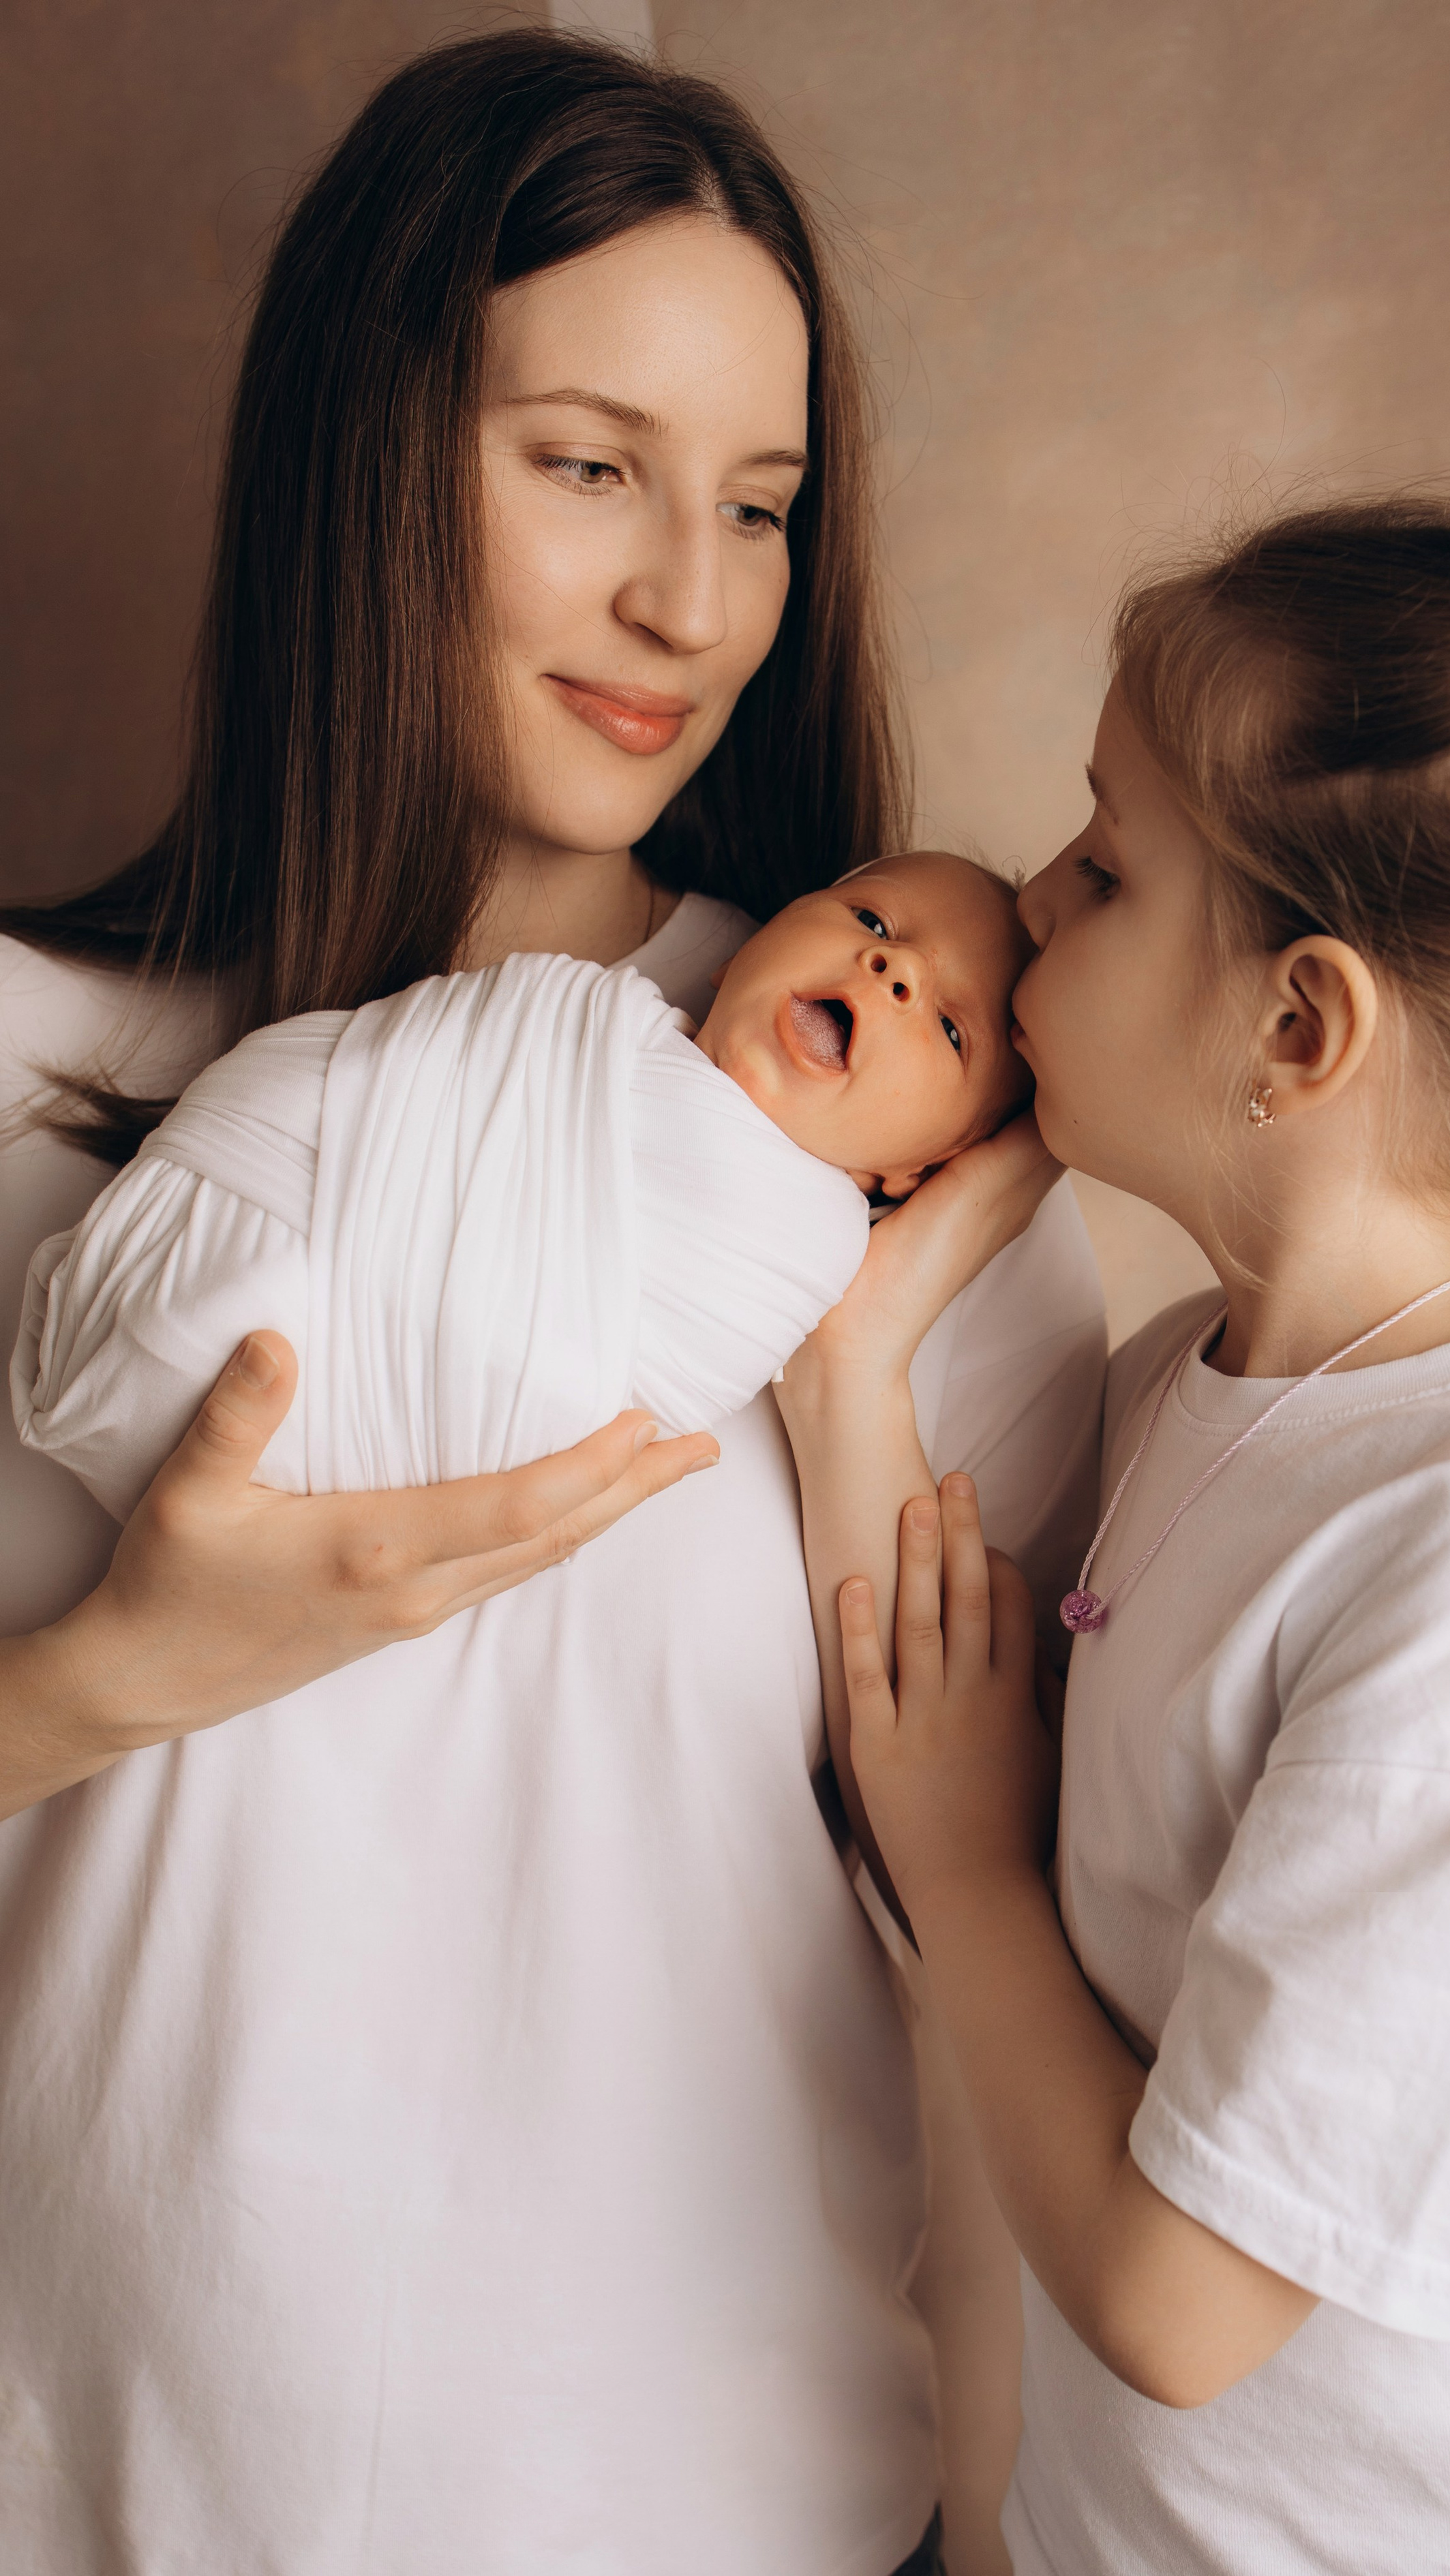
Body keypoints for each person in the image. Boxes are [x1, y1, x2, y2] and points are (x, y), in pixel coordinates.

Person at [0, 31, 1104, 2575]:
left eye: (761, 505)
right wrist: (121, 1667)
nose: (692, 605)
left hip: (710, 2507)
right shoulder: (43, 1064)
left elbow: (1034, 1953)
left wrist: (845, 1376)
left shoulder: (913, 1159)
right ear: (366, 454)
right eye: (587, 466)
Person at [781, 498, 1450, 2573]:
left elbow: (1180, 2308)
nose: (1029, 899)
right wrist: (859, 1359)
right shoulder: (1186, 1384)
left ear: (1301, 1028)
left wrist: (962, 1850)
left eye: (1110, 864)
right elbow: (912, 1739)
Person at [16, 851, 1030, 1514]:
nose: (894, 973)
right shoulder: (577, 1024)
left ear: (913, 1171)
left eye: (948, 1028)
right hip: (210, 1201)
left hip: (331, 1393)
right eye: (873, 917)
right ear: (740, 956)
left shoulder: (802, 1240)